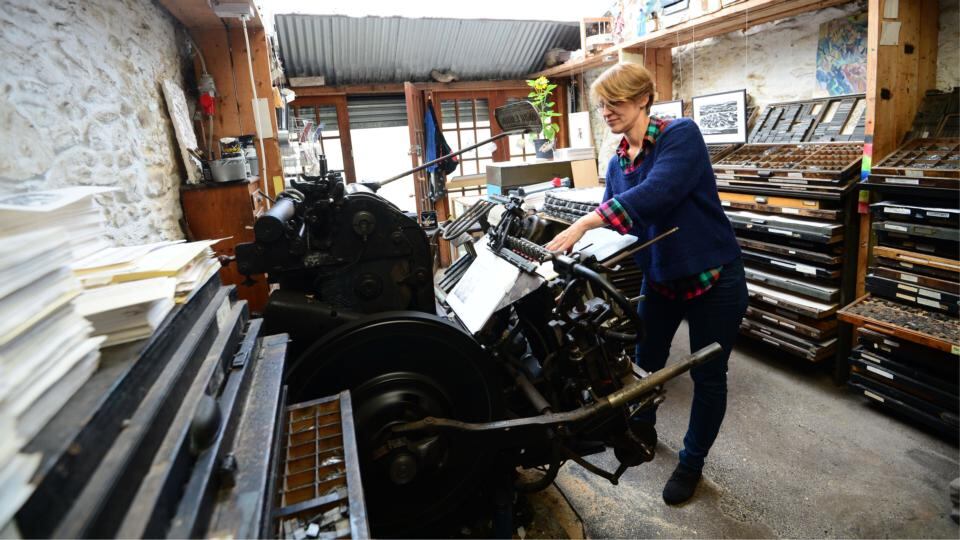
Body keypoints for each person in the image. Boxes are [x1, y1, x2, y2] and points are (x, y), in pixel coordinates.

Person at [545, 63, 748, 505]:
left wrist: (586, 222)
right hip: (662, 281)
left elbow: (658, 192)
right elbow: (618, 221)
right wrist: (564, 251)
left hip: (713, 278)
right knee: (643, 367)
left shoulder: (681, 135)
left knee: (708, 375)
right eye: (601, 104)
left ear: (642, 99)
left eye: (614, 102)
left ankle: (691, 463)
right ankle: (642, 430)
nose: (606, 112)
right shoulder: (618, 159)